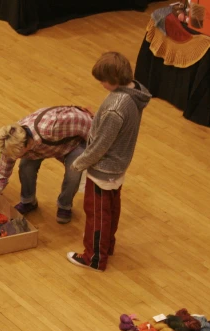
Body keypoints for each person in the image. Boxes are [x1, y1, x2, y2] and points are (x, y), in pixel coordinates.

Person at [65, 52, 151, 272]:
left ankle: (94, 258)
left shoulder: (115, 107)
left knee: (97, 215)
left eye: (102, 80)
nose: (101, 84)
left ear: (113, 78)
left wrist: (79, 164)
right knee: (111, 210)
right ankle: (106, 246)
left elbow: (101, 145)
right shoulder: (134, 93)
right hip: (119, 164)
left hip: (104, 168)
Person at [0, 106, 93, 224]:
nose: (12, 158)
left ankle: (64, 205)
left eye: (16, 155)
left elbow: (86, 124)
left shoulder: (53, 127)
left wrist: (93, 154)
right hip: (45, 148)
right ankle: (28, 201)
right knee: (25, 167)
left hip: (73, 144)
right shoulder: (10, 144)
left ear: (26, 146)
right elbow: (2, 175)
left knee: (74, 172)